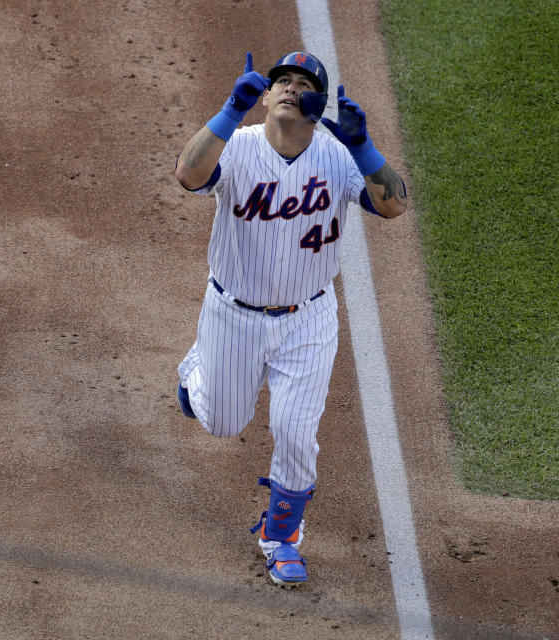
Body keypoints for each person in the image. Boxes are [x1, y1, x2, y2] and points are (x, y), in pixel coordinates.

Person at [173, 51, 407, 588]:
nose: (288, 87)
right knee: (222, 423)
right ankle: (197, 370)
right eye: (281, 80)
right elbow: (187, 174)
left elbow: (393, 206)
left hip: (309, 318)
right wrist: (231, 110)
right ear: (266, 92)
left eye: (302, 83)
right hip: (232, 312)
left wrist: (364, 147)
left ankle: (281, 535)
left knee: (295, 432)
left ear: (316, 102)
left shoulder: (338, 155)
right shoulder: (240, 146)